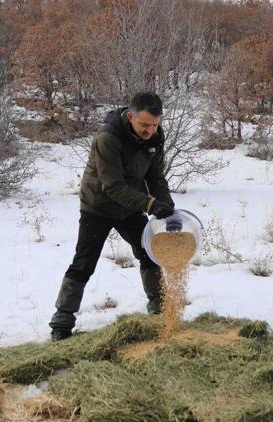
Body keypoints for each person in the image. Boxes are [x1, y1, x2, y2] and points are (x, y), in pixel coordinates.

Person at [49, 92, 175, 341]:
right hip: (98, 205)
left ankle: (160, 312)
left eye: (155, 125)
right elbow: (113, 187)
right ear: (130, 117)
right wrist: (150, 204)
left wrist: (167, 207)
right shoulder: (108, 137)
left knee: (150, 252)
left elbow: (155, 176)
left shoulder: (155, 138)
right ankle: (61, 323)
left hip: (129, 208)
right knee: (84, 262)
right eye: (144, 125)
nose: (150, 130)